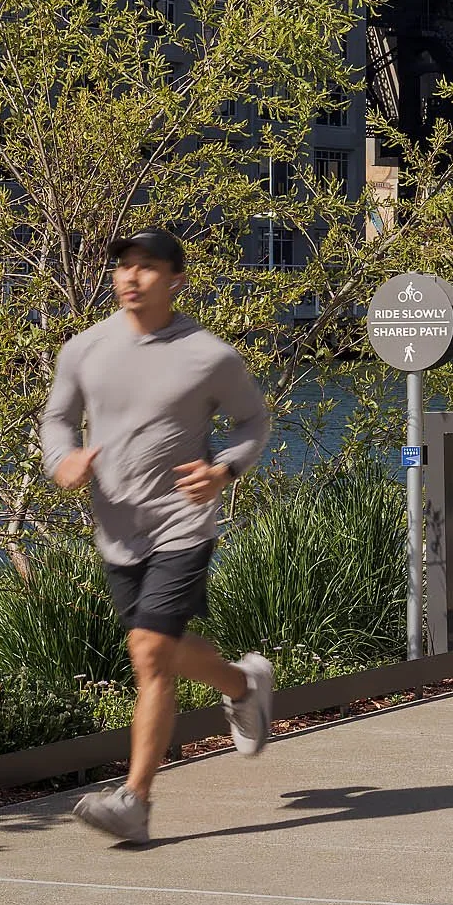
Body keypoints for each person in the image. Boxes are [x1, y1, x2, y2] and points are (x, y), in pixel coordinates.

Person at [40, 228, 275, 844]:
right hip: (116, 528)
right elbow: (58, 421)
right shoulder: (84, 349)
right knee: (161, 650)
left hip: (182, 522)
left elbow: (254, 420)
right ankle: (242, 684)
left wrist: (223, 468)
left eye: (146, 267)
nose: (130, 277)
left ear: (175, 279)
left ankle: (134, 800)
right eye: (123, 266)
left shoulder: (208, 355)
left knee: (148, 653)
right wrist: (60, 461)